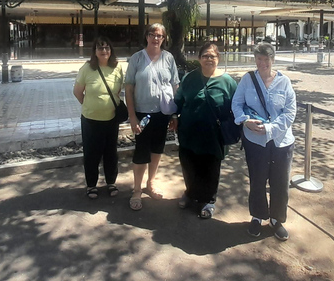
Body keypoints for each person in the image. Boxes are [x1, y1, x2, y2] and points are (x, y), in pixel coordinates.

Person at [232, 43, 297, 241]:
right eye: (259, 59)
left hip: (280, 141)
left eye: (266, 59)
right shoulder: (247, 80)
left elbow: (290, 111)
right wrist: (244, 121)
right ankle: (257, 216)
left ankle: (277, 219)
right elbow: (237, 104)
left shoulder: (284, 82)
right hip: (255, 141)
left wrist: (270, 129)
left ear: (273, 60)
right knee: (257, 180)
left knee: (280, 181)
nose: (262, 63)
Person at [173, 43, 237, 219]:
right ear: (199, 58)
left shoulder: (228, 82)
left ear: (218, 59)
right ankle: (190, 193)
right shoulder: (189, 78)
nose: (209, 59)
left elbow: (237, 107)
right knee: (189, 165)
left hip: (213, 135)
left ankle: (209, 200)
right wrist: (173, 116)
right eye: (205, 55)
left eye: (212, 56)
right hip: (189, 132)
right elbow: (178, 100)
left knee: (210, 168)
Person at [125, 23, 180, 211]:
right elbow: (129, 88)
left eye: (160, 36)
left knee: (157, 150)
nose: (156, 38)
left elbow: (175, 86)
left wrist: (174, 113)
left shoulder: (168, 58)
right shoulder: (137, 59)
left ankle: (151, 183)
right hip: (142, 113)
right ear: (146, 36)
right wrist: (132, 116)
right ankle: (137, 189)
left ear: (164, 39)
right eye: (152, 34)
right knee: (141, 150)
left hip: (163, 113)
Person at [73, 36, 125, 199]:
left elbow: (117, 92)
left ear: (111, 50)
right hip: (91, 120)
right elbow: (77, 92)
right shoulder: (87, 68)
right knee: (91, 153)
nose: (104, 51)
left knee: (111, 152)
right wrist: (90, 105)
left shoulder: (117, 68)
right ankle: (91, 185)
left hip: (111, 119)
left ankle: (111, 182)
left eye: (107, 48)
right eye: (100, 48)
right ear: (94, 51)